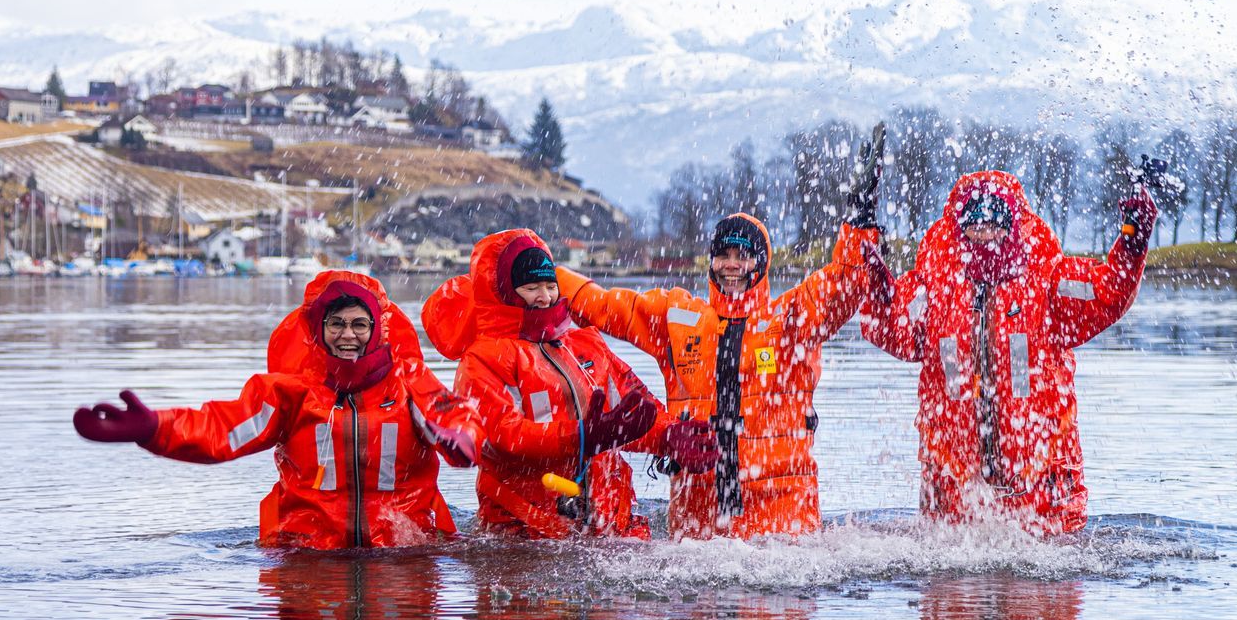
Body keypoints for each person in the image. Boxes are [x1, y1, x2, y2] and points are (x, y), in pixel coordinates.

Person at [553, 127, 889, 539]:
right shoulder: (676, 317)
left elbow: (848, 282)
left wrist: (860, 220)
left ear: (761, 264)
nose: (732, 265)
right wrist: (536, 269)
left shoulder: (792, 319)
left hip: (783, 521)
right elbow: (601, 305)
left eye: (743, 256)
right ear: (710, 261)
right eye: (723, 255)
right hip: (699, 521)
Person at [71, 270, 478, 549]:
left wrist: (462, 438)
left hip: (406, 556)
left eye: (359, 324)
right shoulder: (289, 394)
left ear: (377, 331)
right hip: (309, 555)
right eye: (336, 323)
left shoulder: (411, 385)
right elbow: (222, 429)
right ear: (317, 330)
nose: (347, 335)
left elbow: (453, 415)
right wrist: (153, 428)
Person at [859, 171, 1156, 534]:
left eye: (995, 223)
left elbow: (1106, 292)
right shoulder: (933, 286)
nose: (985, 233)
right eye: (975, 224)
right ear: (959, 227)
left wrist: (1133, 241)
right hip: (953, 505)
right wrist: (872, 276)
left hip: (1043, 503)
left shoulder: (1049, 281)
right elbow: (888, 324)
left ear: (1013, 223)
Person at [423, 230, 662, 539]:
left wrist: (670, 435)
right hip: (524, 529)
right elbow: (503, 436)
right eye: (531, 287)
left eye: (550, 286)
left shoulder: (586, 343)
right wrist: (581, 436)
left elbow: (637, 407)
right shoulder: (482, 360)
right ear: (505, 293)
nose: (545, 296)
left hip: (609, 525)